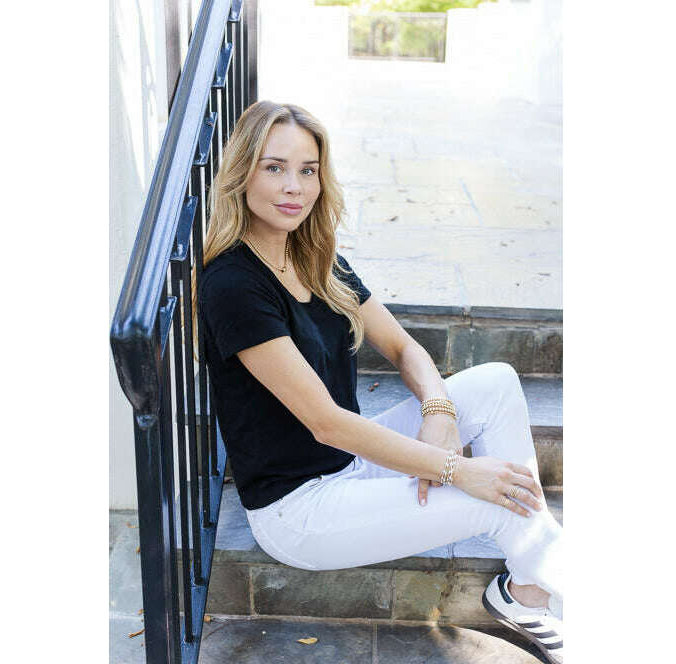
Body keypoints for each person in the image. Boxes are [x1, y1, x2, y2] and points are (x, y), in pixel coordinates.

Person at [195, 101, 563, 663]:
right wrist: (457, 469)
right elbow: (326, 423)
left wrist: (438, 412)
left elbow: (404, 347)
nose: (294, 186)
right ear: (243, 173)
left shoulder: (313, 257)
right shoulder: (232, 285)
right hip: (301, 510)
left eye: (308, 170)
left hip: (350, 465)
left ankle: (529, 593)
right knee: (496, 498)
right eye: (274, 168)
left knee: (495, 381)